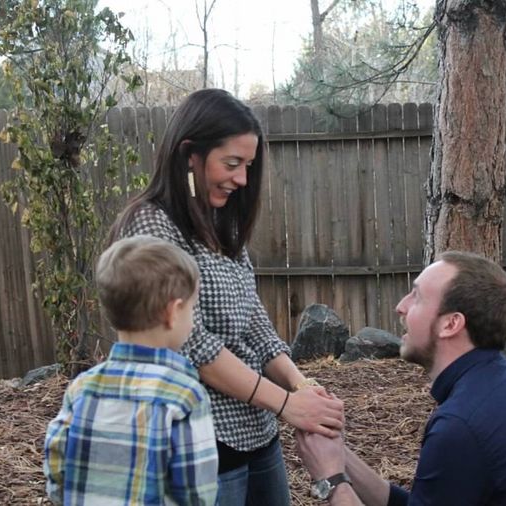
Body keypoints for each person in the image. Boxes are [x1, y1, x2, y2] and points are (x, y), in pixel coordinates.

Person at [108, 88, 344, 506]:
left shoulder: (222, 226)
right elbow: (192, 345)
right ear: (189, 155)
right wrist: (287, 404)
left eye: (248, 166)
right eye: (232, 164)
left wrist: (301, 383)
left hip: (256, 431)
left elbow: (254, 321)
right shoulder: (152, 228)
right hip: (201, 440)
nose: (242, 179)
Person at [296, 251, 506, 506]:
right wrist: (340, 455)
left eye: (416, 297)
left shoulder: (462, 424)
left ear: (451, 324)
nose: (400, 307)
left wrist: (332, 481)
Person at [43, 235, 218, 505]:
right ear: (173, 312)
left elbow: (57, 462)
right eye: (192, 308)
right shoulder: (185, 395)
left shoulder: (81, 388)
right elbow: (197, 493)